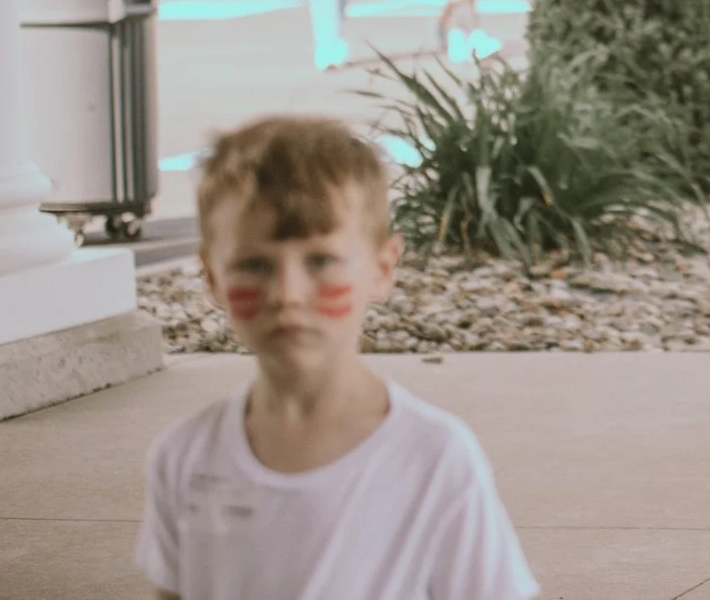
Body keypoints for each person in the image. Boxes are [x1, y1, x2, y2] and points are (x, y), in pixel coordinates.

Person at [137, 116, 536, 599]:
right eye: (254, 264)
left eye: (321, 261)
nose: (287, 294)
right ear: (212, 277)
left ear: (382, 268)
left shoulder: (434, 459)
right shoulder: (185, 457)